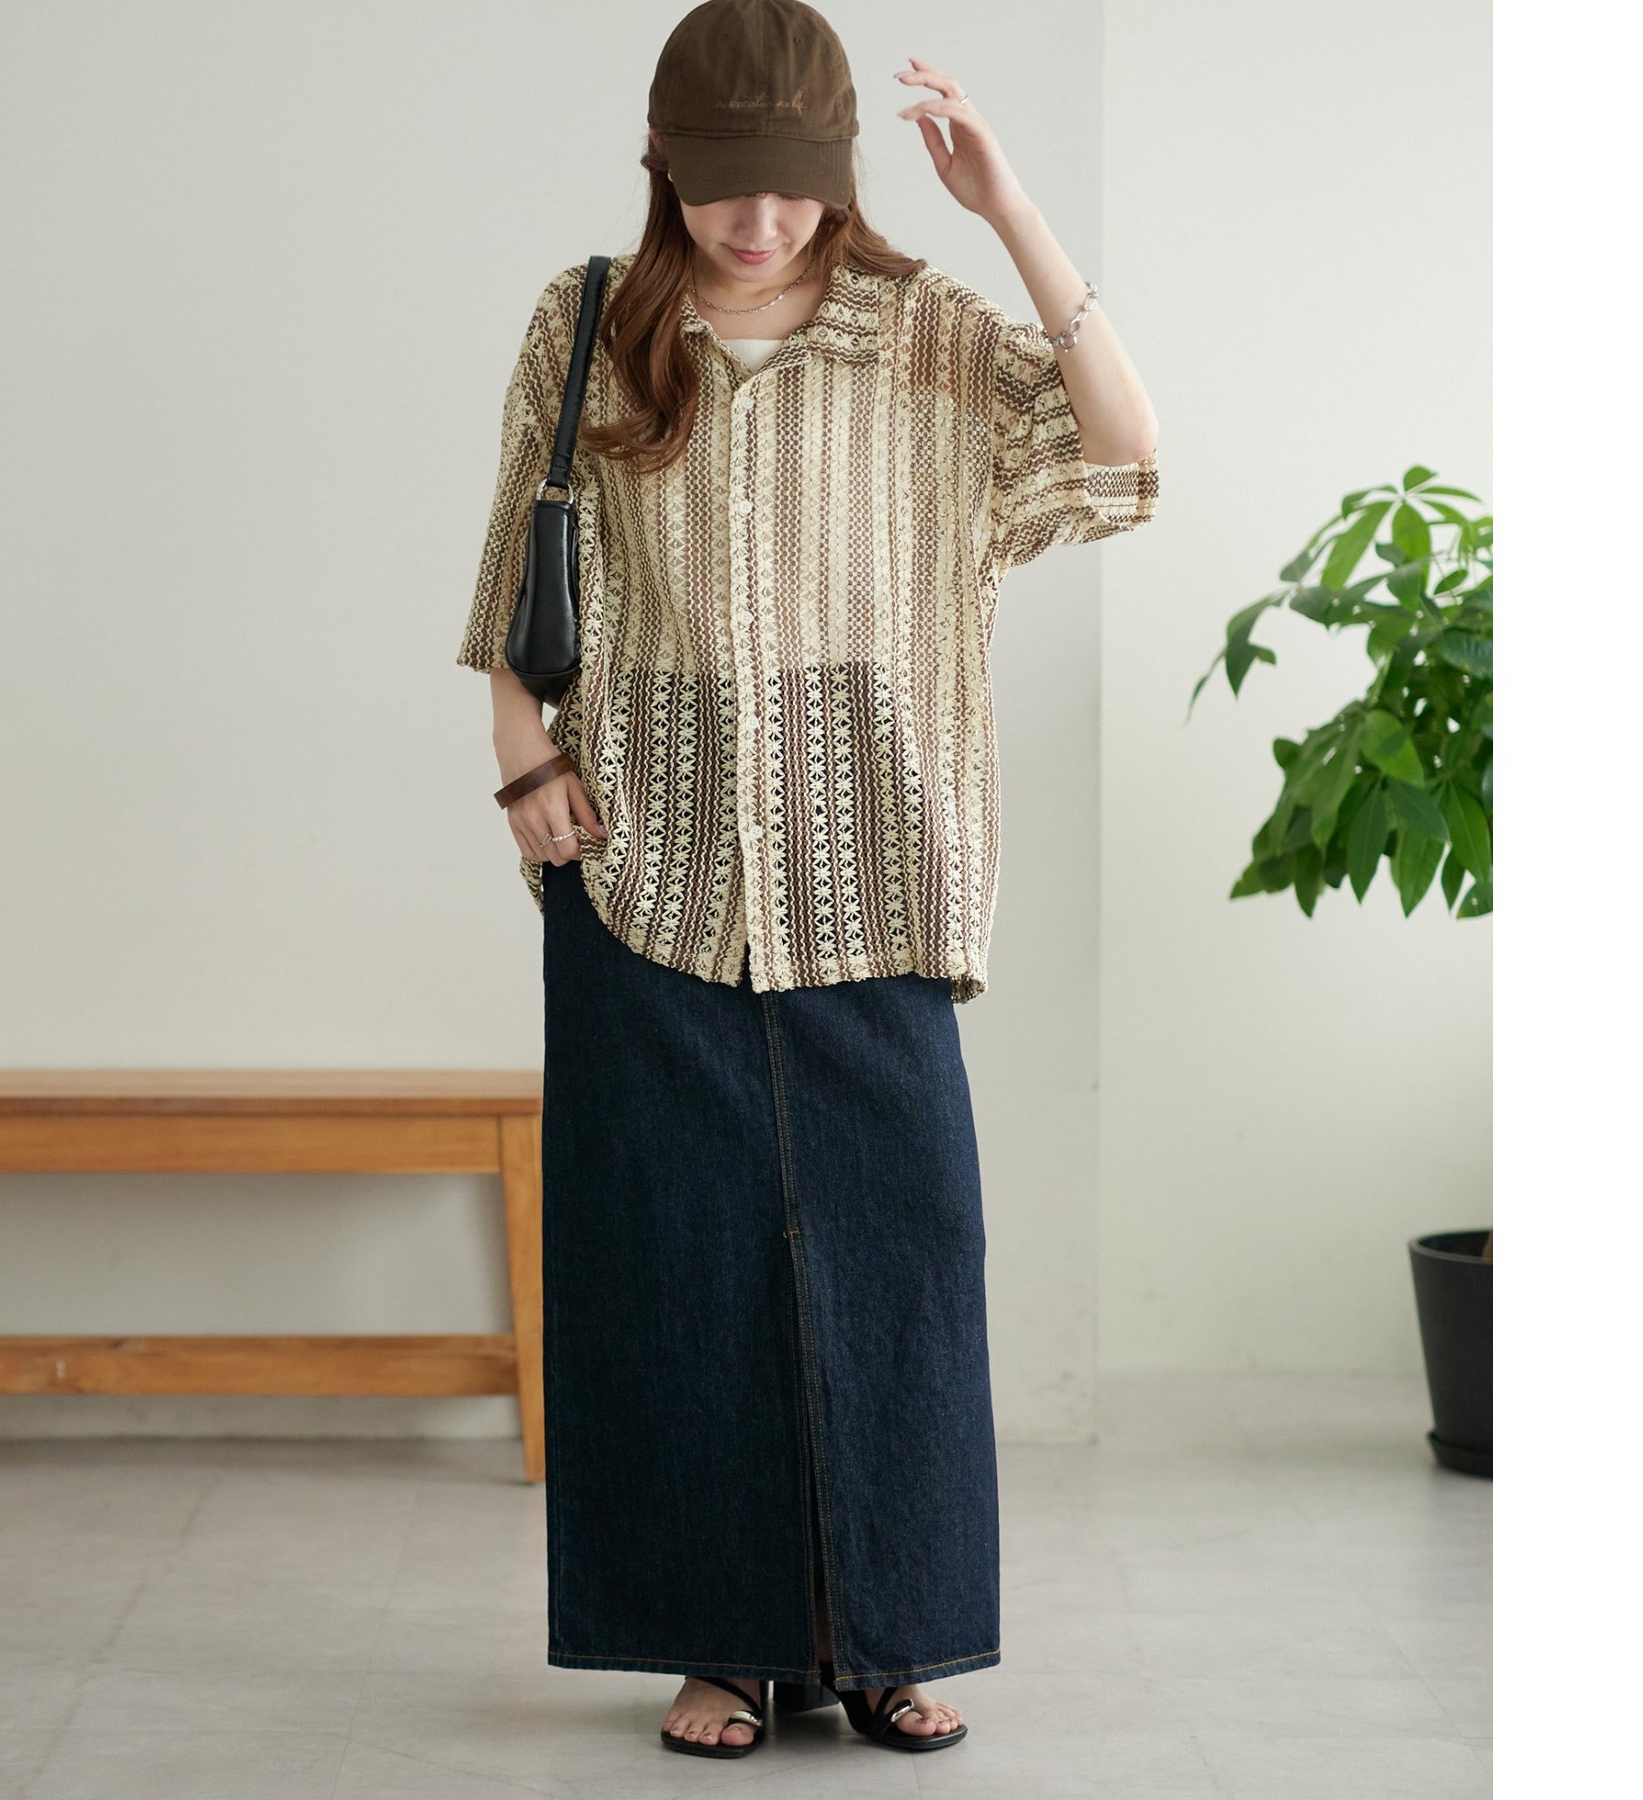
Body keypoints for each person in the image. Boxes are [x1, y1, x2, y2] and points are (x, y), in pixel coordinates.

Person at [456, 0, 1159, 1761]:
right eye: (719, 185)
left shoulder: (921, 330)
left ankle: (887, 1641)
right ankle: (719, 1646)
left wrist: (1010, 211)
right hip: (643, 850)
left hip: (875, 857)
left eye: (788, 187)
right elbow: (512, 577)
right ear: (661, 165)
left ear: (839, 176)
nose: (755, 221)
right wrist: (524, 760)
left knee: (898, 1259)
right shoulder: (589, 324)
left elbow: (1123, 459)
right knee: (673, 1265)